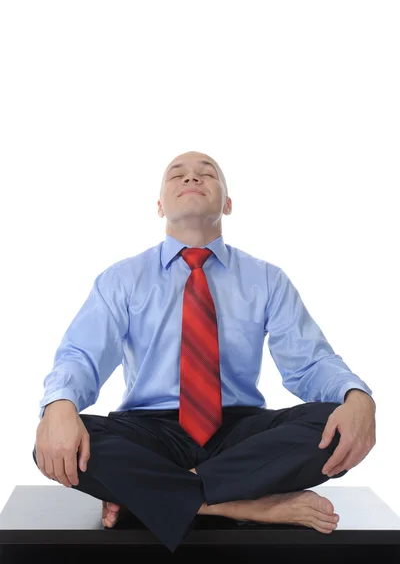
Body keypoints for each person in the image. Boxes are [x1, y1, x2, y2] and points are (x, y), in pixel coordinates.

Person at [33, 150, 376, 553]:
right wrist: (59, 405)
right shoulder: (121, 280)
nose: (192, 178)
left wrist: (357, 397)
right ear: (160, 205)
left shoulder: (266, 279)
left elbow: (311, 363)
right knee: (61, 438)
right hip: (149, 430)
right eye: (177, 174)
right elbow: (80, 356)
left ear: (227, 204)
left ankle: (154, 494)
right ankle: (244, 504)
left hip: (238, 431)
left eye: (206, 173)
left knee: (327, 425)